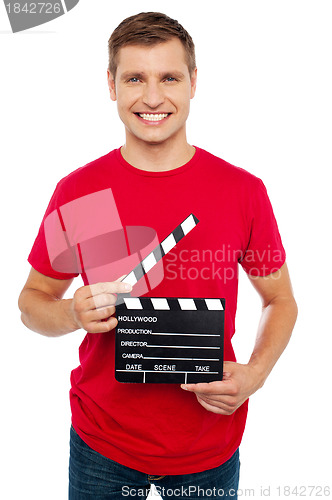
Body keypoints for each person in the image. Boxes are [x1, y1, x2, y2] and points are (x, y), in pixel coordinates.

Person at [18, 11, 298, 500]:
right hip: (100, 446)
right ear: (111, 85)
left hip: (209, 447)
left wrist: (255, 373)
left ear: (193, 82)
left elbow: (281, 300)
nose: (151, 97)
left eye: (168, 77)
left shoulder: (242, 192)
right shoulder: (79, 191)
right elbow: (32, 302)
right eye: (134, 78)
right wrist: (70, 311)